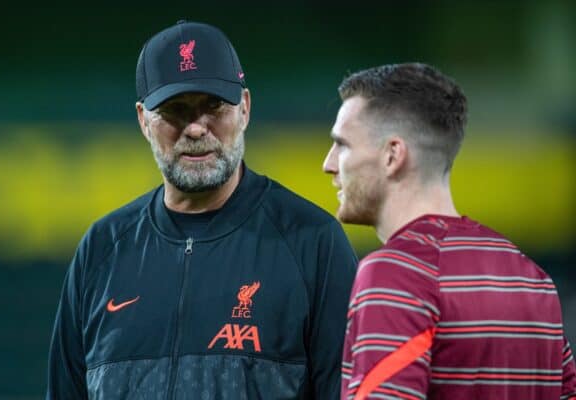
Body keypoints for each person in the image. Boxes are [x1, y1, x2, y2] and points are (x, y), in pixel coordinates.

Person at [46, 20, 357, 399]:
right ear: (144, 120)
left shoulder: (311, 242)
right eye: (175, 110)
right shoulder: (102, 249)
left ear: (244, 109)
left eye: (213, 106)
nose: (195, 129)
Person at [322, 63, 576, 400]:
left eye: (343, 145)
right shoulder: (532, 279)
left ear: (392, 155)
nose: (329, 164)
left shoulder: (396, 273)